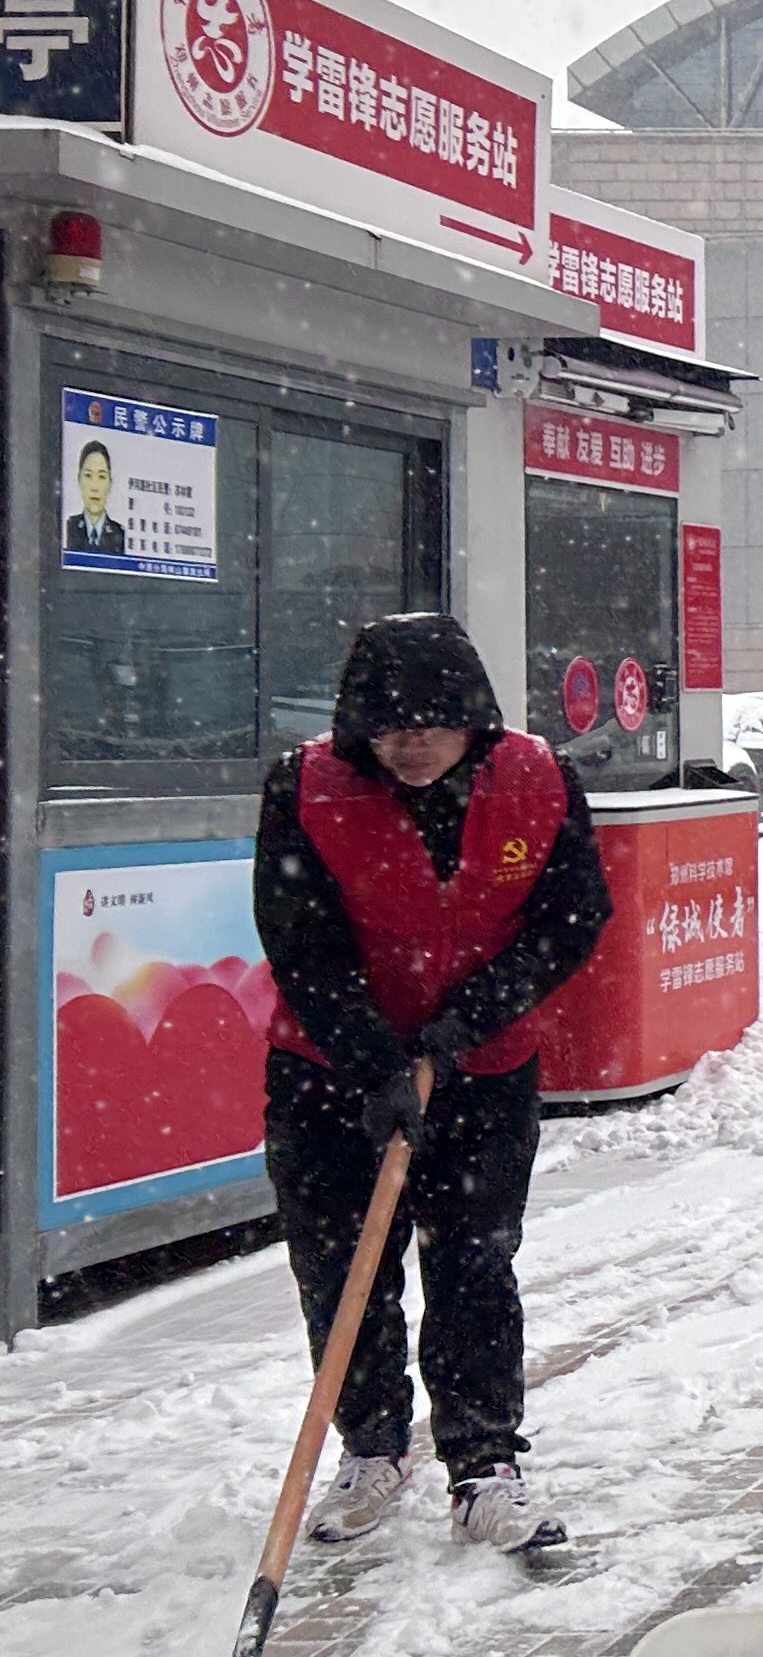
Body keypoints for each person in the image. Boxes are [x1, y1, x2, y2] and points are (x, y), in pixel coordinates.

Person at [256, 613, 610, 1552]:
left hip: (483, 1067)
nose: (412, 744)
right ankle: (371, 1445)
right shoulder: (308, 786)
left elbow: (572, 917)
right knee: (343, 1269)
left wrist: (463, 1025)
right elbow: (298, 938)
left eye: (433, 725)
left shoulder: (537, 780)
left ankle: (483, 1461)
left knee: (474, 1263)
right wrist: (374, 1061)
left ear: (476, 723)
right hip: (328, 1071)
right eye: (390, 727)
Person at [65, 440, 125, 555]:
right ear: (79, 480)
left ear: (110, 483)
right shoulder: (68, 528)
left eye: (101, 476)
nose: (95, 487)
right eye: (88, 475)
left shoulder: (120, 533)